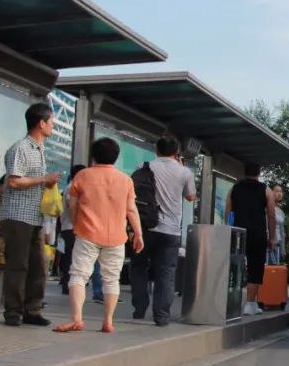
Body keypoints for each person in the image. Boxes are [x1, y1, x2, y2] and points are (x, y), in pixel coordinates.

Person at [55, 137, 143, 333]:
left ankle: (77, 318)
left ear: (93, 156)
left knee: (78, 275)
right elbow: (131, 210)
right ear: (116, 157)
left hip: (87, 233)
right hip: (116, 237)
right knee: (111, 279)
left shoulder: (83, 176)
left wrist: (78, 223)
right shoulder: (125, 180)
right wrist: (138, 234)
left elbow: (73, 205)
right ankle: (108, 322)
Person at [0, 103, 62, 327]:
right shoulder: (21, 148)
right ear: (41, 123)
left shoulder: (40, 149)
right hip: (17, 216)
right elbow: (14, 180)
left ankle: (32, 310)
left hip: (34, 216)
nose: (53, 125)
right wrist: (43, 180)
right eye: (51, 121)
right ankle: (14, 312)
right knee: (19, 265)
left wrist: (45, 184)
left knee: (39, 265)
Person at [131, 134, 196, 327]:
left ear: (156, 150)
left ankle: (140, 307)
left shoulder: (144, 167)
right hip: (171, 231)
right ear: (177, 152)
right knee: (166, 273)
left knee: (138, 267)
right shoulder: (184, 172)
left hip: (145, 228)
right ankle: (161, 315)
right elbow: (191, 196)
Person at [225, 162, 276, 317]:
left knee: (235, 266)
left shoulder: (234, 189)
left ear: (244, 172)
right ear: (259, 173)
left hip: (238, 233)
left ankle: (231, 301)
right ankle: (250, 303)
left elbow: (228, 212)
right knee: (255, 267)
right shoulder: (266, 190)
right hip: (257, 234)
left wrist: (229, 232)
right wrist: (273, 237)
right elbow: (271, 215)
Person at [58, 165, 86, 294]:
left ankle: (68, 283)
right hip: (71, 228)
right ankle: (68, 284)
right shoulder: (71, 188)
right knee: (71, 257)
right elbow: (71, 208)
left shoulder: (74, 187)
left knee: (71, 256)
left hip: (71, 227)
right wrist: (77, 224)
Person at [266, 185, 286, 266]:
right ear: (271, 193)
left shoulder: (281, 212)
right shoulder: (266, 208)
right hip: (268, 245)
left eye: (281, 191)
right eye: (277, 191)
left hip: (278, 245)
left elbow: (282, 231)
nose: (279, 193)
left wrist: (283, 249)